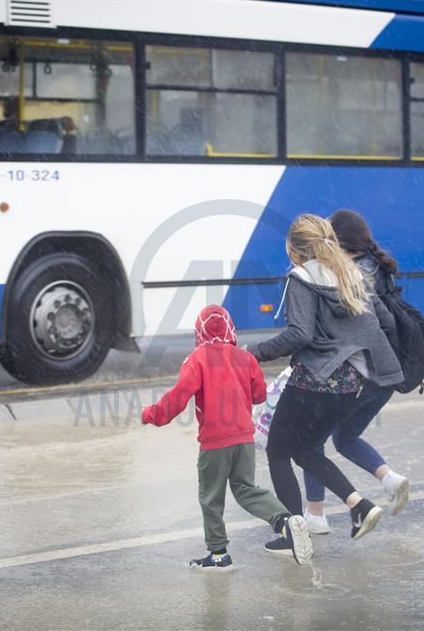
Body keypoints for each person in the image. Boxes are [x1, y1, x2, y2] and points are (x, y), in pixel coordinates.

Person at [246, 214, 405, 553]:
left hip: (313, 383)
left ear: (294, 249)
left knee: (277, 452)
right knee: (305, 450)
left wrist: (254, 352)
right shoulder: (352, 274)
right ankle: (360, 506)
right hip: (351, 387)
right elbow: (385, 322)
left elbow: (299, 334)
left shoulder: (301, 278)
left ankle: (294, 534)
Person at [142, 304, 312, 570]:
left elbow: (177, 399)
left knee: (211, 497)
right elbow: (259, 395)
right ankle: (284, 521)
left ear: (199, 330)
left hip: (214, 441)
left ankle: (219, 556)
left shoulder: (197, 359)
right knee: (246, 488)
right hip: (244, 438)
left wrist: (151, 414)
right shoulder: (245, 358)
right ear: (230, 328)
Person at [301, 209, 410, 535]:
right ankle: (390, 479)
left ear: (338, 243)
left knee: (311, 440)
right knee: (345, 437)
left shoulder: (352, 275)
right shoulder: (378, 266)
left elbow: (365, 326)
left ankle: (316, 517)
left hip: (363, 373)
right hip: (389, 376)